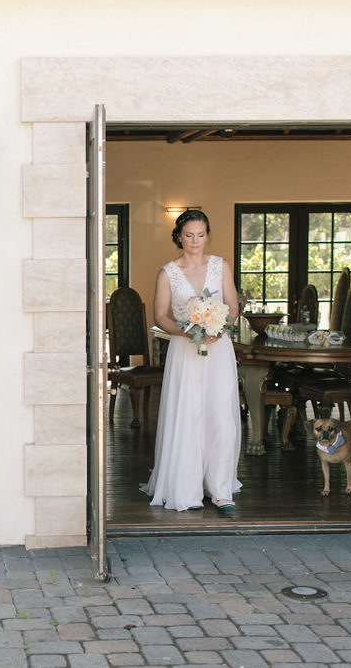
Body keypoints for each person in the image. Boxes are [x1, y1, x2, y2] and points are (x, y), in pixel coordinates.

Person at [139, 210, 242, 512]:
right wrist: (187, 331)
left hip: (218, 350)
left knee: (220, 417)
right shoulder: (167, 272)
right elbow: (160, 315)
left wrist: (217, 327)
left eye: (200, 235)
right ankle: (187, 487)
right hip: (185, 351)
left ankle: (220, 487)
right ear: (179, 237)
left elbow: (233, 307)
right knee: (188, 415)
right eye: (189, 235)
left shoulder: (221, 266)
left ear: (207, 235)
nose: (195, 241)